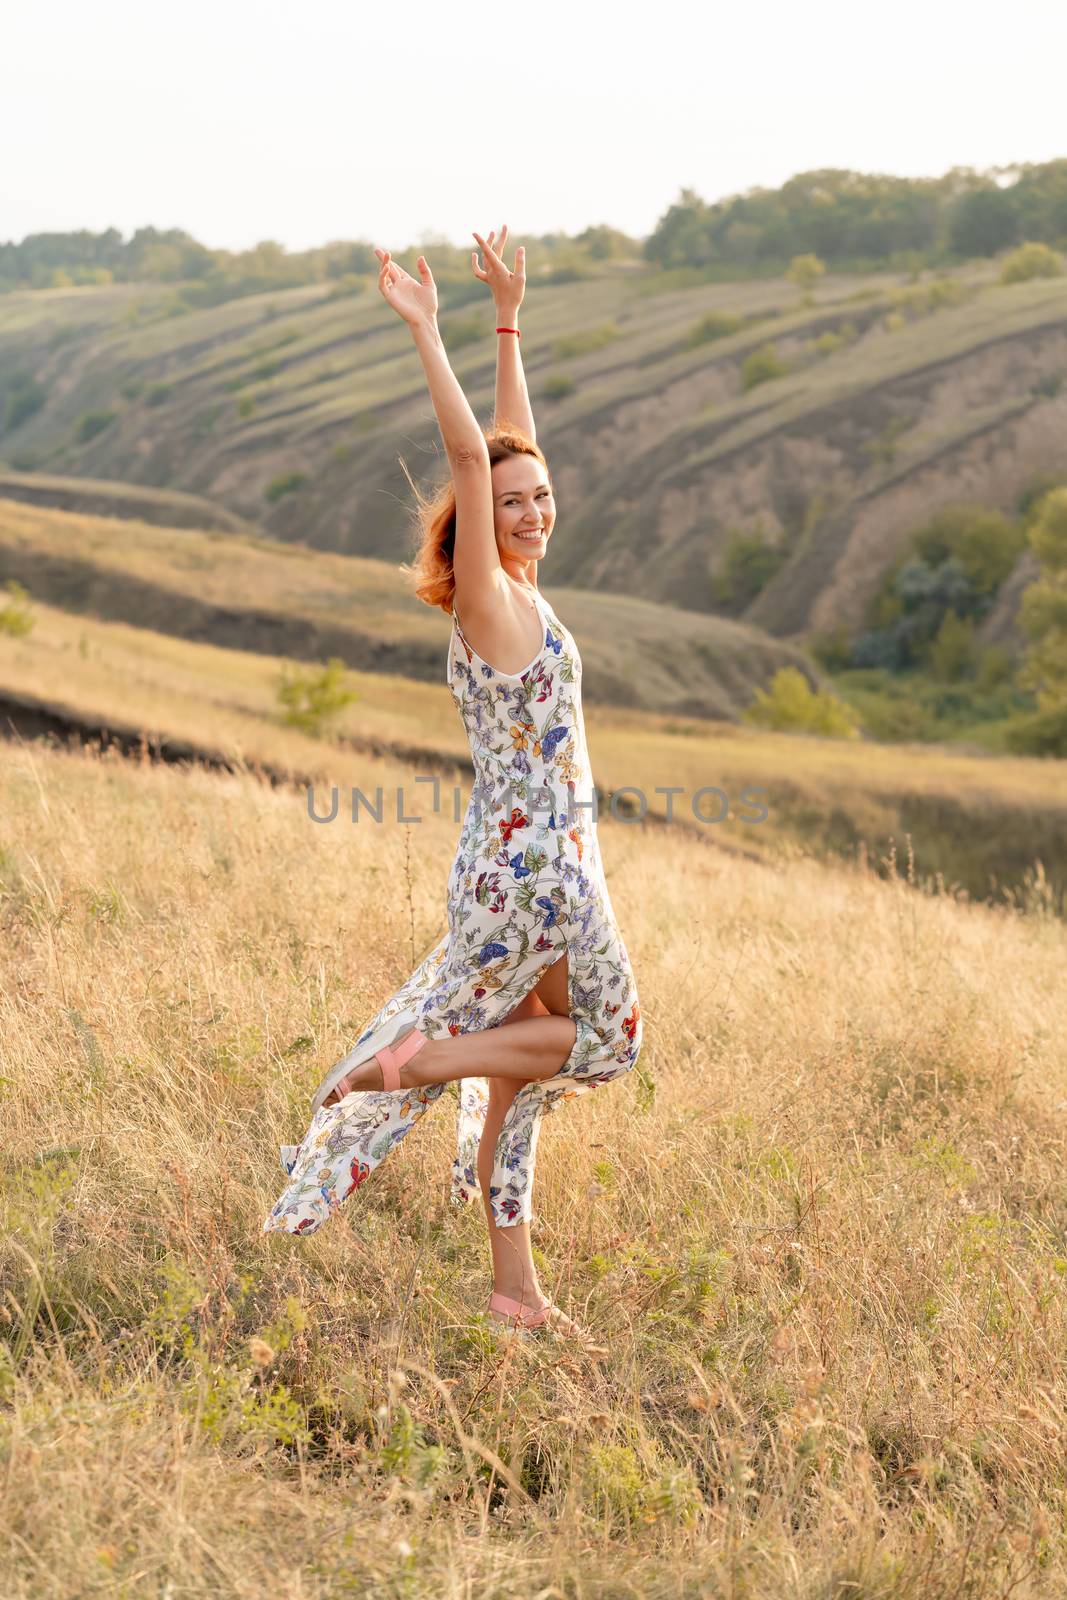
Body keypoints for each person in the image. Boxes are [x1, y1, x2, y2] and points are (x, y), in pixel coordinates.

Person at [264, 225, 643, 1346]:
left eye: (542, 497)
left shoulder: (524, 592)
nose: (530, 509)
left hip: (512, 871)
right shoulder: (486, 601)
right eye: (513, 503)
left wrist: (506, 322)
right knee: (604, 1042)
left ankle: (512, 1288)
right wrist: (428, 332)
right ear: (479, 524)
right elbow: (478, 457)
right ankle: (422, 1060)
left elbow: (509, 444)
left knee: (525, 1076)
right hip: (539, 879)